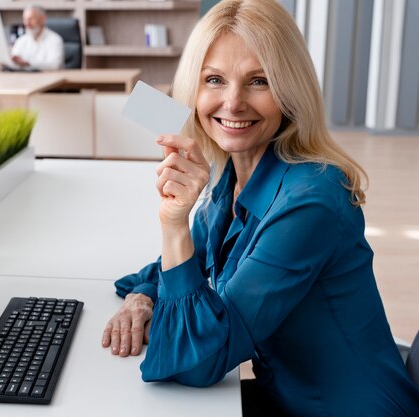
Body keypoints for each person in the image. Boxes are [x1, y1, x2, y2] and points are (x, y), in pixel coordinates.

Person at [101, 0, 419, 416]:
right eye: (214, 79)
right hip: (287, 396)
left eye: (259, 81)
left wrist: (174, 222)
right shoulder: (233, 177)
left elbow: (197, 362)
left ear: (289, 92)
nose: (232, 103)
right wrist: (143, 297)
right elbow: (178, 266)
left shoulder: (310, 201)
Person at [10, 5, 64, 71]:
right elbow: (13, 62)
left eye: (31, 19)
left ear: (42, 19)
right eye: (25, 19)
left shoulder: (55, 40)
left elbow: (55, 65)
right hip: (26, 79)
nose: (27, 23)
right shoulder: (21, 40)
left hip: (49, 79)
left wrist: (28, 63)